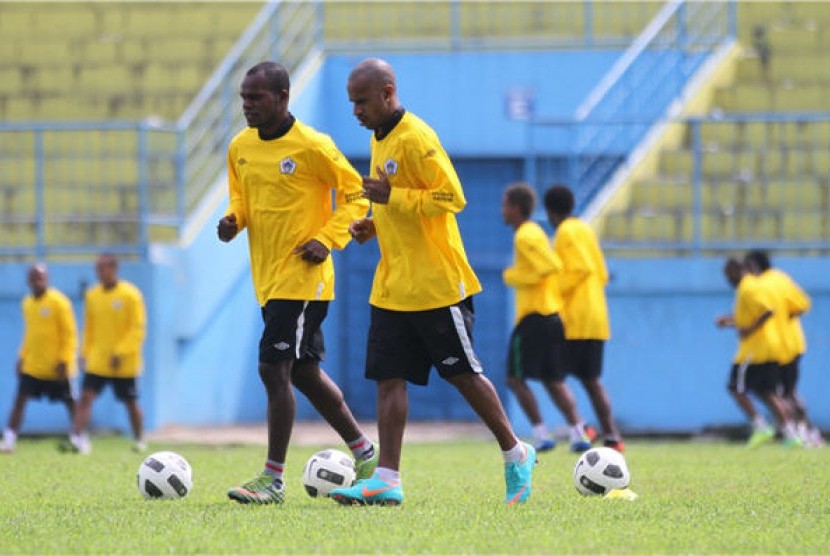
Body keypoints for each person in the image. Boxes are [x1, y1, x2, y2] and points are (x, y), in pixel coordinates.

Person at [329, 58, 536, 507]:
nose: (355, 111)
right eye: (351, 103)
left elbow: (451, 197)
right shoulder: (379, 138)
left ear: (388, 93)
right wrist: (375, 223)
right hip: (393, 284)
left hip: (435, 285)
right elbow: (398, 204)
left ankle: (515, 451)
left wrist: (393, 198)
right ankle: (387, 478)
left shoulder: (417, 137)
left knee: (461, 373)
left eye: (361, 102)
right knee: (389, 377)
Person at [217, 61, 377, 505]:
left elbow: (356, 193)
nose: (248, 106)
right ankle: (365, 453)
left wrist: (328, 239)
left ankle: (273, 478)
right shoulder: (240, 147)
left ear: (283, 97)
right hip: (267, 279)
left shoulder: (311, 145)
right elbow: (242, 197)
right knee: (303, 372)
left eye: (257, 98)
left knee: (273, 368)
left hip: (304, 279)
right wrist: (236, 220)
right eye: (244, 98)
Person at [501, 182, 594, 453]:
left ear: (516, 208)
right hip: (551, 316)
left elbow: (550, 267)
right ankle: (579, 433)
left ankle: (542, 434)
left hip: (535, 318)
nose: (502, 210)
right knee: (553, 379)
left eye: (505, 205)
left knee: (514, 378)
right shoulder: (534, 232)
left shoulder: (525, 236)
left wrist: (514, 276)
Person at [543, 184, 624, 452]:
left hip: (575, 318)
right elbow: (600, 272)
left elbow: (579, 269)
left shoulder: (565, 231)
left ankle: (582, 427)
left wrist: (552, 289)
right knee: (591, 380)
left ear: (550, 212)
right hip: (597, 314)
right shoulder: (585, 228)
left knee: (551, 374)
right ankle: (612, 437)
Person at [716, 257, 801, 448]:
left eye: (728, 274)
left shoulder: (748, 287)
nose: (727, 278)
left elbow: (768, 311)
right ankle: (791, 433)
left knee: (734, 387)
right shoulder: (754, 286)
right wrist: (730, 322)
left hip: (754, 350)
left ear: (737, 270)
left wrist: (748, 330)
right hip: (767, 347)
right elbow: (752, 316)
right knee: (766, 391)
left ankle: (760, 426)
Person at [67, 253, 147, 455]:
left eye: (102, 268)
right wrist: (84, 353)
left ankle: (139, 439)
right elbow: (89, 328)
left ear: (113, 269)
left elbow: (137, 329)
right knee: (86, 396)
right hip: (98, 359)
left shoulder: (131, 295)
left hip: (125, 362)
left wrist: (121, 352)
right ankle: (78, 438)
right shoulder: (92, 295)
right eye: (97, 269)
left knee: (130, 402)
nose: (99, 273)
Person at [744, 249, 821, 447]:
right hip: (794, 343)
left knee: (773, 391)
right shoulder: (782, 279)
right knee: (789, 391)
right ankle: (806, 432)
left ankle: (798, 432)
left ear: (753, 266)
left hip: (774, 346)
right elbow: (803, 304)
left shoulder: (759, 284)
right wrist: (787, 317)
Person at [1, 264, 78, 454]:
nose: (38, 281)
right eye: (34, 278)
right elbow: (30, 334)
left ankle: (80, 439)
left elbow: (69, 334)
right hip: (34, 366)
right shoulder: (27, 303)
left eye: (41, 277)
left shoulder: (59, 302)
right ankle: (9, 440)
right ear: (29, 280)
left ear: (48, 279)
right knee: (19, 400)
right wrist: (22, 357)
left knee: (71, 403)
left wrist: (64, 360)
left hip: (57, 367)